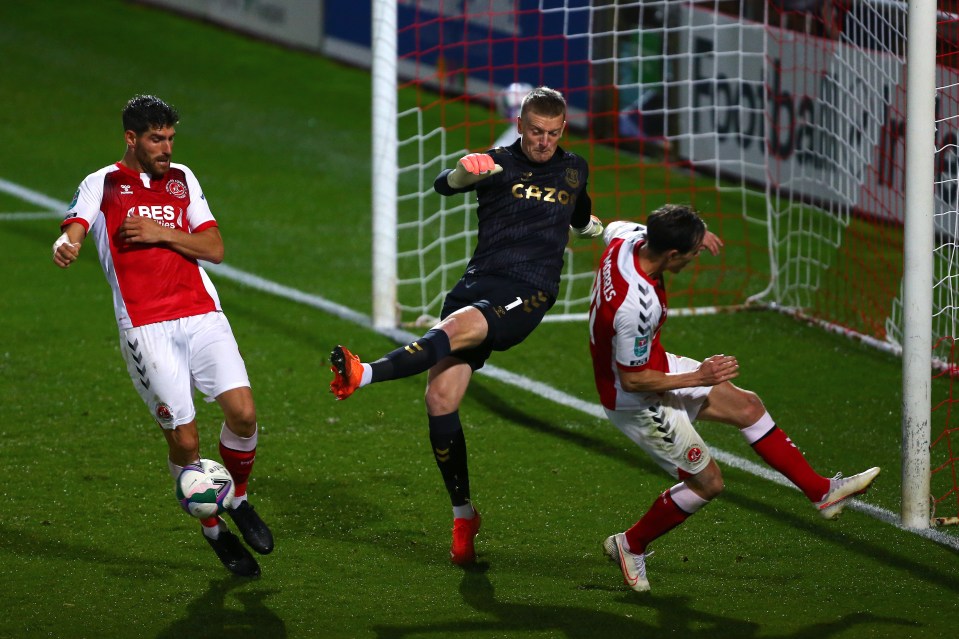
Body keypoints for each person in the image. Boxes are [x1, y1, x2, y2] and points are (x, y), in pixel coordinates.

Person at [329, 86, 604, 565]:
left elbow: (579, 211)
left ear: (563, 131)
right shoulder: (495, 163)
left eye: (553, 134)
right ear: (520, 125)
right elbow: (444, 185)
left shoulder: (573, 166)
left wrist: (594, 229)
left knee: (456, 330)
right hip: (477, 284)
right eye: (536, 132)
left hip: (530, 291)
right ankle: (463, 515)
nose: (544, 142)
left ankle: (364, 373)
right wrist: (461, 171)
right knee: (440, 399)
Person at [588, 204, 880, 593]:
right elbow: (634, 378)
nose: (696, 257)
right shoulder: (636, 305)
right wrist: (700, 376)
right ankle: (630, 544)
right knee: (708, 484)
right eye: (692, 252)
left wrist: (695, 233)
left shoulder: (628, 239)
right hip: (638, 399)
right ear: (672, 255)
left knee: (748, 407)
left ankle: (822, 493)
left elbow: (610, 227)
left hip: (657, 366)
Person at [52, 95, 273, 577]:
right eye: (157, 139)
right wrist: (67, 244)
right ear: (131, 138)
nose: (166, 147)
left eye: (171, 138)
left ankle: (239, 499)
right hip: (146, 327)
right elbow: (74, 225)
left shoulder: (182, 179)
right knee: (186, 441)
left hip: (201, 313)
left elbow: (214, 248)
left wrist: (158, 232)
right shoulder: (102, 182)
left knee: (244, 412)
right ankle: (213, 529)